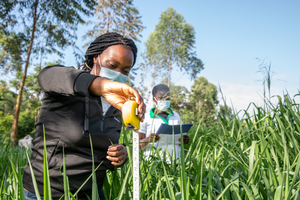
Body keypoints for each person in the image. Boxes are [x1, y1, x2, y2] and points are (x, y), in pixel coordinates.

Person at [22, 32, 145, 200]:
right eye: (112, 64)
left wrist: (121, 153)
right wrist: (101, 86)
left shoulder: (119, 106)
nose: (118, 74)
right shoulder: (68, 86)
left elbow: (104, 146)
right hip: (47, 192)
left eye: (125, 70)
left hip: (92, 193)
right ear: (96, 57)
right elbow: (46, 76)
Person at [138, 84, 189, 163]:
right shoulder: (146, 117)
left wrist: (184, 140)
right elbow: (137, 145)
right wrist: (148, 139)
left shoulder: (176, 115)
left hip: (175, 162)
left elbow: (181, 137)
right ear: (154, 99)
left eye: (167, 98)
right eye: (161, 98)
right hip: (153, 163)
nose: (165, 101)